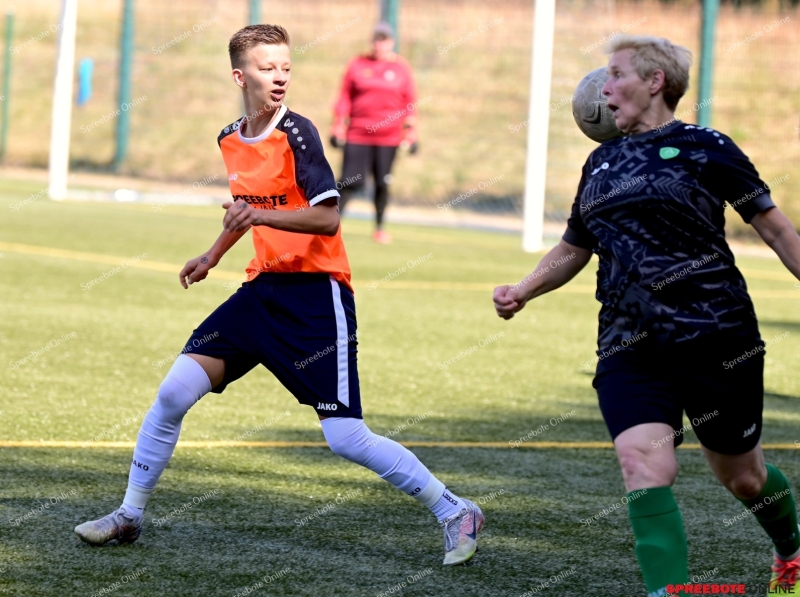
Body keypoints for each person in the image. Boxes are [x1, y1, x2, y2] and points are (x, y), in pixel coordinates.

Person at [75, 24, 483, 566]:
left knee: (345, 437)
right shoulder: (229, 138)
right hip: (260, 291)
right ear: (240, 76)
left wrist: (260, 217)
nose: (280, 76)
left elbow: (327, 218)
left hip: (316, 297)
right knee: (173, 393)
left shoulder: (300, 133)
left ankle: (456, 510)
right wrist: (212, 255)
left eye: (286, 67)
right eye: (268, 68)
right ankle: (129, 514)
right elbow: (246, 210)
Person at [493, 35, 800, 596]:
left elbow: (776, 229)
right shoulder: (600, 161)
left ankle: (791, 551)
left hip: (716, 337)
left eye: (615, 74)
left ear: (655, 82)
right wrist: (524, 289)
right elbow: (574, 247)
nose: (603, 87)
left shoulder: (707, 147)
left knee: (744, 478)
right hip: (628, 342)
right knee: (642, 466)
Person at [330, 21, 418, 244]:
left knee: (382, 182)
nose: (380, 45)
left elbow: (410, 101)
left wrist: (410, 131)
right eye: (377, 40)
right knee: (349, 181)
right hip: (358, 133)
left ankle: (379, 228)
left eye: (384, 40)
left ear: (392, 42)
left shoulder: (401, 68)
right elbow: (344, 97)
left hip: (388, 137)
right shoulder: (358, 64)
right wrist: (338, 125)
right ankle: (331, 226)